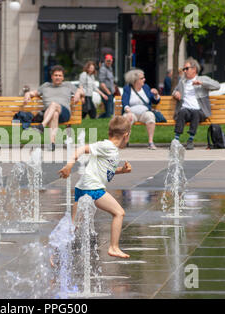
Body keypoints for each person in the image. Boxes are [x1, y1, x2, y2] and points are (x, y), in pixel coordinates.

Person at [59, 115, 132, 258]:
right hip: (93, 189)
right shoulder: (107, 146)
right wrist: (69, 165)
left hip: (82, 187)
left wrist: (121, 171)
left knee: (74, 225)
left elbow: (106, 171)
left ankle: (54, 252)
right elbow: (81, 149)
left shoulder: (111, 150)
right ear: (126, 135)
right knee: (119, 213)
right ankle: (113, 247)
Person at [23, 65, 84, 151]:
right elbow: (33, 93)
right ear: (52, 77)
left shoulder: (68, 85)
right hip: (49, 114)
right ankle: (52, 143)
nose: (57, 77)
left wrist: (78, 93)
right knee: (54, 114)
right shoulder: (45, 86)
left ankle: (42, 126)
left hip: (64, 113)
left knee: (53, 104)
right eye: (55, 75)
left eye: (60, 75)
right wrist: (27, 94)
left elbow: (82, 91)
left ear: (63, 77)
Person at [172, 57, 220, 150]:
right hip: (186, 111)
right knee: (182, 112)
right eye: (184, 69)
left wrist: (202, 83)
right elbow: (174, 91)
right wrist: (175, 93)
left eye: (186, 68)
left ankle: (190, 140)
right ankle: (176, 140)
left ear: (194, 69)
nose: (184, 71)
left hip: (200, 112)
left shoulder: (202, 78)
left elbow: (217, 85)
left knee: (195, 112)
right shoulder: (182, 81)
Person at [121, 69, 161, 150]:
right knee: (127, 118)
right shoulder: (127, 89)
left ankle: (150, 142)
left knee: (150, 116)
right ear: (135, 80)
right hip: (132, 113)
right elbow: (124, 102)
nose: (144, 80)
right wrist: (128, 111)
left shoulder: (146, 87)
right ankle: (125, 141)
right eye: (142, 78)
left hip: (144, 113)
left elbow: (155, 101)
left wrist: (156, 95)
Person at [98, 54, 115, 118]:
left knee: (110, 112)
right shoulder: (103, 69)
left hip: (110, 92)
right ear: (105, 60)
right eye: (107, 61)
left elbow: (110, 80)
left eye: (110, 61)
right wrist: (108, 93)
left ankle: (99, 118)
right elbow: (102, 83)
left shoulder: (110, 68)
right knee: (109, 112)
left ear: (112, 61)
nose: (109, 62)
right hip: (106, 93)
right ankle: (99, 118)